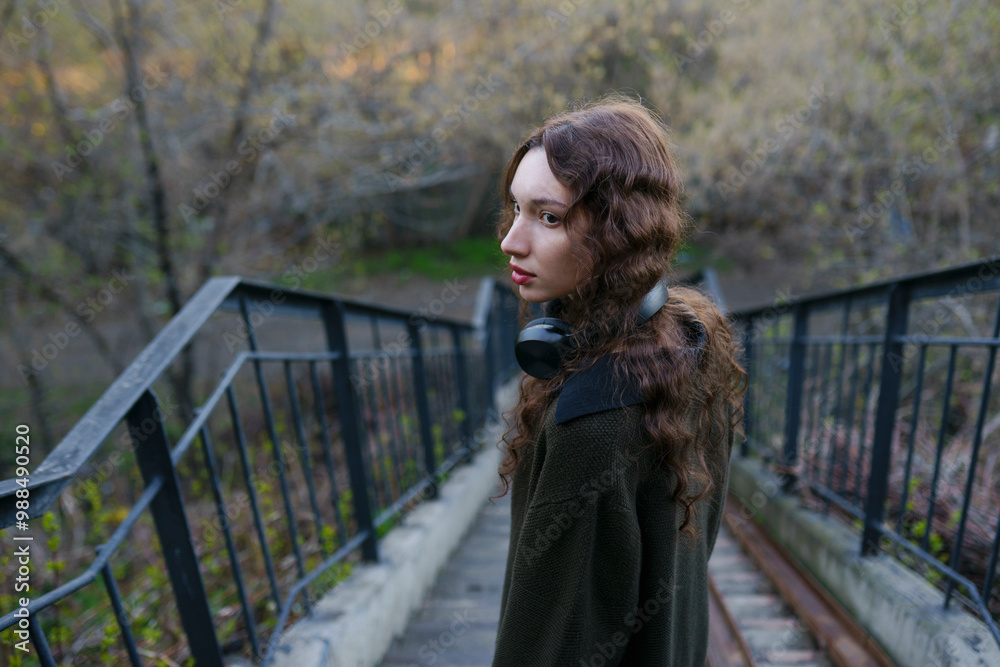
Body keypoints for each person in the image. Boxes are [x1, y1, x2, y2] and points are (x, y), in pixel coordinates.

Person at [490, 94, 747, 666]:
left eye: (548, 217)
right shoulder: (693, 340)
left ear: (619, 233)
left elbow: (547, 645)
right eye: (516, 209)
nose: (511, 239)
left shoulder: (592, 427)